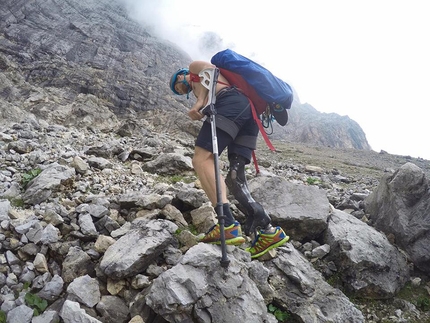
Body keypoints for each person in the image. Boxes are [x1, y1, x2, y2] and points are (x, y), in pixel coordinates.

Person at [169, 61, 289, 258]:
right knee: (235, 178)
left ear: (182, 74)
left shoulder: (194, 67)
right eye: (178, 92)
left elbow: (211, 71)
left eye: (178, 85)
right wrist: (199, 104)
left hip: (231, 104)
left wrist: (198, 104)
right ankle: (268, 231)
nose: (180, 90)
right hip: (249, 115)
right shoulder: (203, 89)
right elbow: (207, 87)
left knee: (200, 160)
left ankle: (228, 224)